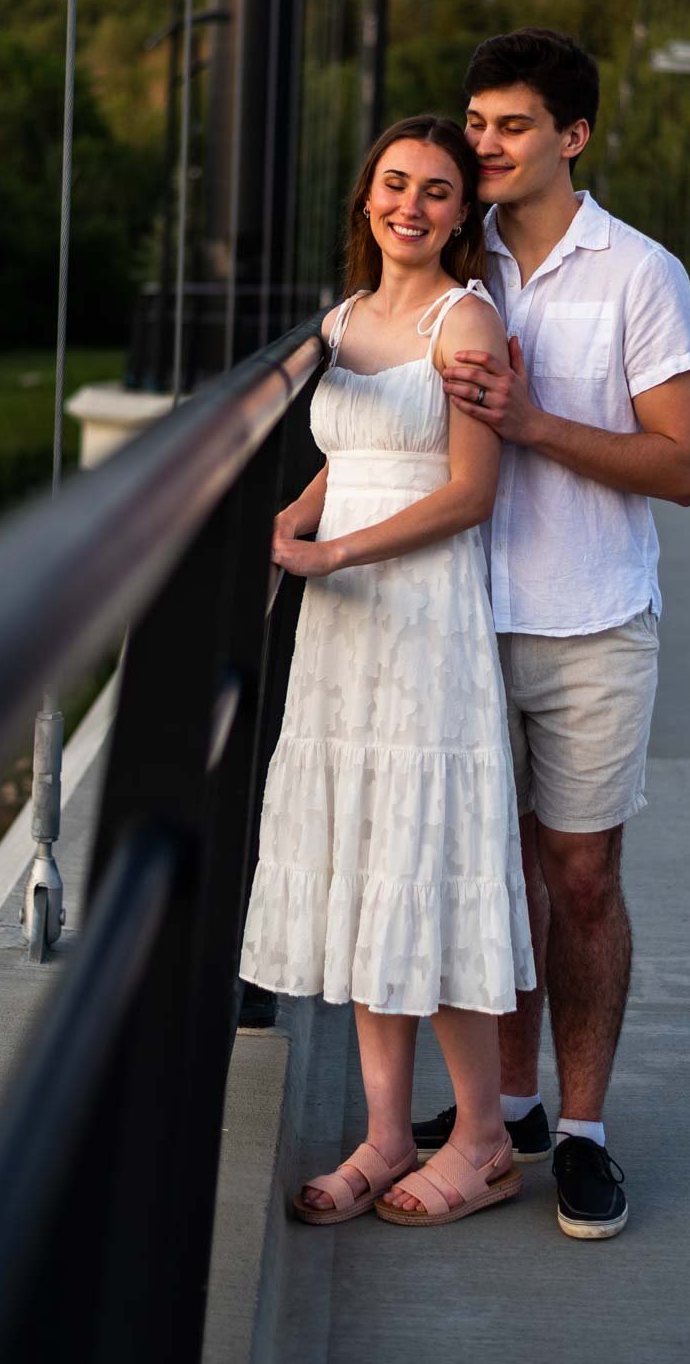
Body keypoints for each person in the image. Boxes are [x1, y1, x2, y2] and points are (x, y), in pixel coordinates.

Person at [416, 26, 690, 1241]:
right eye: (474, 123)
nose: (482, 145)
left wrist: (533, 423)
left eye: (511, 125)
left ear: (572, 136)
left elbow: (681, 465)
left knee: (578, 881)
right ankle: (510, 1111)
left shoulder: (639, 272)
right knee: (487, 881)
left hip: (591, 622)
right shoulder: (445, 256)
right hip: (456, 619)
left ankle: (581, 1135)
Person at [239, 113, 536, 1229]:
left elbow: (468, 492)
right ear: (368, 196)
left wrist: (333, 554)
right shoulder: (344, 319)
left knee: (427, 862)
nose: (410, 206)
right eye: (394, 185)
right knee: (370, 862)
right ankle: (378, 1135)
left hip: (419, 620)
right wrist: (294, 516)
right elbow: (343, 455)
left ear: (464, 215)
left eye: (437, 192)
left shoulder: (467, 322)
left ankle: (481, 1139)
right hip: (344, 636)